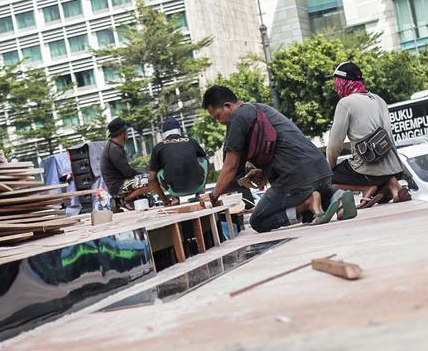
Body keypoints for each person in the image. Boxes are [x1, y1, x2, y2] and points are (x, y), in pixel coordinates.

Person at [202, 85, 355, 233]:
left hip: (297, 178)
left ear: (227, 106)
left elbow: (230, 166)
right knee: (308, 212)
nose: (219, 122)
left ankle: (307, 203)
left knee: (259, 221)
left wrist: (213, 196)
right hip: (322, 170)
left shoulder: (237, 118)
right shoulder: (260, 108)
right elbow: (281, 146)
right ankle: (335, 195)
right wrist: (262, 171)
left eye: (217, 117)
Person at [325, 61, 410, 207]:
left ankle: (366, 189)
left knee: (325, 179)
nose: (335, 86)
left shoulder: (345, 103)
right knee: (381, 187)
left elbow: (334, 146)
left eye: (336, 81)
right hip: (394, 168)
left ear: (344, 82)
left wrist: (329, 167)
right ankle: (393, 186)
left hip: (367, 171)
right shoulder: (379, 100)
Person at [147, 117, 209, 205]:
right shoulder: (192, 141)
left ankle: (175, 198)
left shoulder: (158, 147)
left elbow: (152, 178)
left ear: (164, 134)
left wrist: (165, 200)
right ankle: (200, 193)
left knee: (158, 170)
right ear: (180, 131)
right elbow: (205, 160)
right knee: (203, 160)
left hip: (174, 190)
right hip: (197, 186)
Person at [100, 117, 155, 210]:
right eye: (127, 131)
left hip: (119, 184)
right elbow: (128, 172)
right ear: (122, 132)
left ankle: (127, 199)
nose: (128, 133)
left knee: (146, 179)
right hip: (118, 187)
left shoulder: (114, 146)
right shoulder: (114, 149)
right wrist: (143, 175)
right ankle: (125, 199)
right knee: (152, 180)